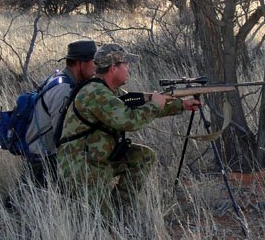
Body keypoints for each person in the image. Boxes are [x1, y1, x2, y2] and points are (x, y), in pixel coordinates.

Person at [57, 43, 200, 210]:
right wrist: (154, 105)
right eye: (126, 65)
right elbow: (129, 120)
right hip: (82, 168)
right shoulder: (95, 92)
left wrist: (182, 105)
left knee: (143, 156)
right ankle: (111, 217)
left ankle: (122, 208)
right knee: (103, 223)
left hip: (98, 160)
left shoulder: (110, 91)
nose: (129, 70)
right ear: (113, 68)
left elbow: (136, 107)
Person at [23, 39, 97, 187]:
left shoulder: (60, 78)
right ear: (79, 63)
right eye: (94, 61)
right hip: (45, 158)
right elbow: (62, 134)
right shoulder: (64, 89)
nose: (97, 66)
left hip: (43, 153)